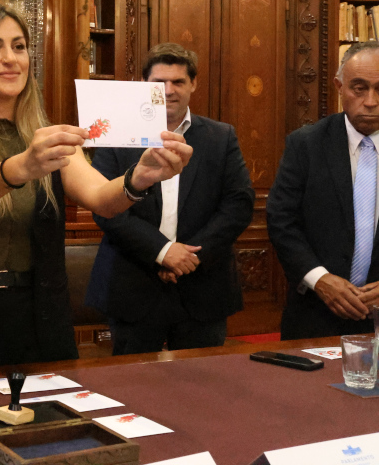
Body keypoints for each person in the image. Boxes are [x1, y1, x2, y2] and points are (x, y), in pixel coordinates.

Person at [0, 3, 193, 373]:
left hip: (37, 314)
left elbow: (101, 199)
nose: (10, 59)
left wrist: (138, 178)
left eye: (19, 46)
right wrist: (24, 165)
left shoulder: (50, 138)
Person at [85, 43, 254, 355]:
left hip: (203, 286)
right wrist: (163, 252)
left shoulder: (221, 137)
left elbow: (238, 205)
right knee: (132, 389)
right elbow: (105, 207)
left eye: (178, 81)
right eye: (159, 82)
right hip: (133, 286)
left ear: (193, 84)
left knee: (202, 390)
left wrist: (187, 258)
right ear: (144, 86)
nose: (169, 90)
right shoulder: (117, 133)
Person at [268, 41, 379, 339]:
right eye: (359, 88)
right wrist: (320, 280)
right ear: (339, 87)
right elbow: (281, 221)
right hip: (315, 313)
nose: (370, 101)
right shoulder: (306, 144)